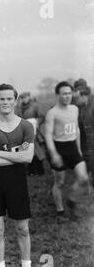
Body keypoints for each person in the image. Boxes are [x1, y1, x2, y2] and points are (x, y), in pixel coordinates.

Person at [0, 83, 35, 267]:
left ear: (15, 100)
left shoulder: (26, 126)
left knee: (22, 228)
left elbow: (28, 158)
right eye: (1, 99)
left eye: (9, 98)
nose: (5, 102)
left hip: (17, 181)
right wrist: (14, 155)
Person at [44, 81, 89, 221]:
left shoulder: (75, 109)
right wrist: (54, 153)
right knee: (60, 182)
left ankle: (71, 199)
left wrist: (79, 150)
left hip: (72, 148)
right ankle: (60, 211)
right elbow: (48, 135)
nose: (67, 96)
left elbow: (76, 130)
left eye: (69, 93)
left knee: (83, 178)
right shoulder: (52, 113)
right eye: (64, 94)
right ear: (58, 95)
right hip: (59, 148)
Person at [15, 92, 46, 176]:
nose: (24, 99)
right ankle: (31, 170)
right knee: (28, 149)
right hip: (24, 130)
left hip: (34, 130)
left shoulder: (35, 106)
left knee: (36, 149)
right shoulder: (19, 108)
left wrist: (36, 122)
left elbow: (42, 116)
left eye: (26, 97)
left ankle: (40, 170)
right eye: (22, 97)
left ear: (29, 97)